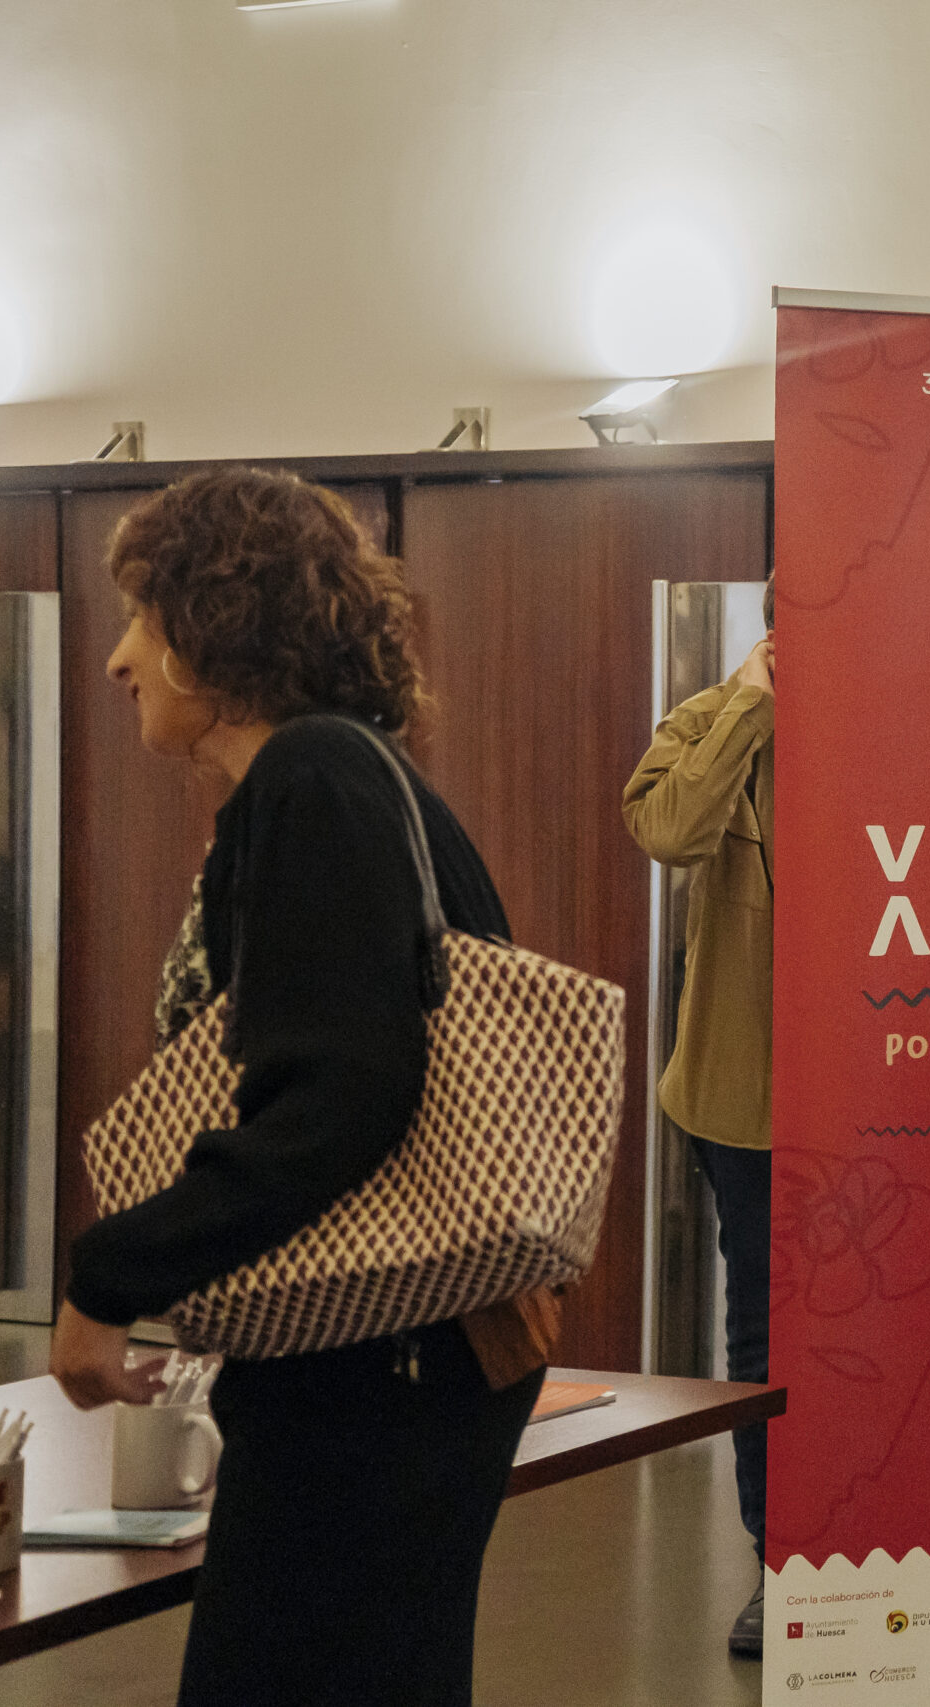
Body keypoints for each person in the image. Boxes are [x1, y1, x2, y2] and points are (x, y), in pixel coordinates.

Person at [46, 467, 553, 1707]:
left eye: (141, 619)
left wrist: (111, 1274)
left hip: (373, 1373)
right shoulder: (346, 777)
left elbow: (338, 1096)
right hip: (409, 1360)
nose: (119, 660)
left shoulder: (313, 777)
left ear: (212, 628)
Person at [624, 619, 776, 1655]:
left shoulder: (908, 713)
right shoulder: (709, 719)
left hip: (883, 1085)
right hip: (746, 1092)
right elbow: (670, 829)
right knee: (761, 1329)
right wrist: (753, 703)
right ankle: (780, 1558)